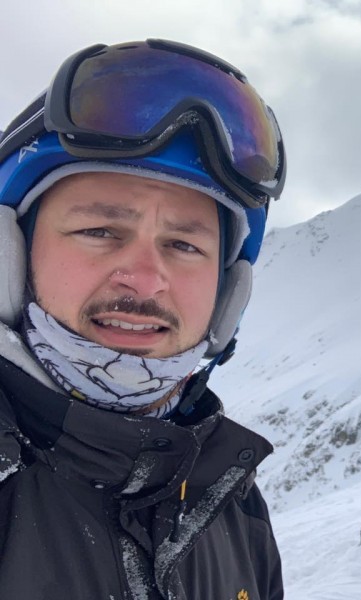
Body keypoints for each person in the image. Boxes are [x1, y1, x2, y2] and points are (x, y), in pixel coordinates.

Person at [0, 39, 286, 599]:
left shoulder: (231, 501)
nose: (146, 279)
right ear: (11, 256)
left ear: (226, 294)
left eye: (184, 245)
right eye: (99, 230)